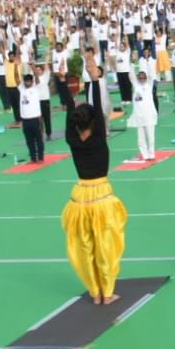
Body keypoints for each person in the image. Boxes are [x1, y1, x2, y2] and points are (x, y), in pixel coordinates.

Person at [61, 48, 127, 305]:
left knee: (84, 246)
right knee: (106, 245)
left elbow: (69, 109)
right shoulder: (99, 136)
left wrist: (64, 80)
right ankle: (107, 291)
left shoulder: (72, 139)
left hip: (79, 197)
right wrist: (94, 78)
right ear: (93, 123)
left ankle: (96, 292)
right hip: (101, 196)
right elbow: (98, 108)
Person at [127, 67, 158, 163]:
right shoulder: (136, 85)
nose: (141, 79)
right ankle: (145, 155)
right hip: (139, 116)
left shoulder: (149, 85)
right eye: (140, 78)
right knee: (141, 139)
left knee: (151, 137)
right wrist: (130, 63)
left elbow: (152, 73)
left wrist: (148, 60)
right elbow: (131, 75)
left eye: (143, 78)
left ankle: (151, 154)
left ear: (146, 78)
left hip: (149, 115)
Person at [18, 71, 47, 164]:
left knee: (38, 139)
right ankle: (33, 158)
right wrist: (15, 65)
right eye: (25, 81)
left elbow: (37, 78)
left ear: (32, 81)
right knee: (29, 140)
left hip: (35, 119)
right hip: (25, 120)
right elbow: (16, 79)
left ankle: (41, 157)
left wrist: (32, 66)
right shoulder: (22, 89)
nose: (27, 83)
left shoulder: (36, 89)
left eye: (28, 81)